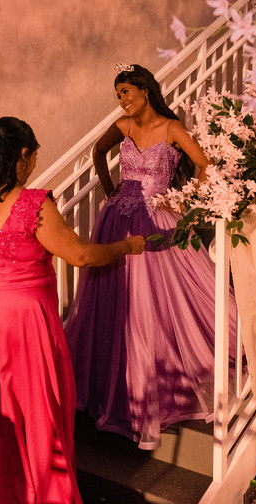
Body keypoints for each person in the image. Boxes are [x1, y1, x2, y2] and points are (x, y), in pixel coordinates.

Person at [0, 116, 145, 504]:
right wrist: (126, 246)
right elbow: (80, 255)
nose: (34, 164)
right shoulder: (33, 204)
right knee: (35, 415)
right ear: (22, 156)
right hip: (23, 322)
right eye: (33, 156)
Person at [64, 64, 238, 450]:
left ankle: (155, 388)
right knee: (116, 301)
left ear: (145, 90)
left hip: (157, 218)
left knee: (153, 301)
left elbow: (205, 164)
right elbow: (98, 151)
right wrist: (110, 188)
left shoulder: (172, 128)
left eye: (126, 92)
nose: (121, 100)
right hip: (118, 219)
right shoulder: (123, 126)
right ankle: (121, 386)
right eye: (118, 95)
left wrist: (184, 198)